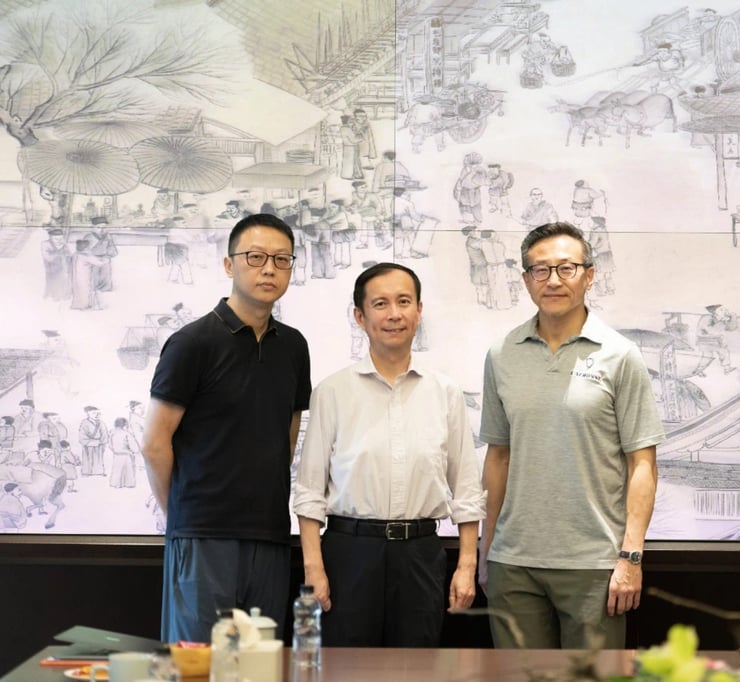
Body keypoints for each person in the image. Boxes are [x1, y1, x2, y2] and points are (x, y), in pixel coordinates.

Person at [480, 222, 664, 649]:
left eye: (566, 268)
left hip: (594, 565)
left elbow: (643, 464)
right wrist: (488, 551)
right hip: (513, 563)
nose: (553, 281)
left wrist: (630, 557)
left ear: (590, 274)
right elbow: (498, 457)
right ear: (526, 279)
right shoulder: (502, 355)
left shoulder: (621, 356)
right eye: (540, 270)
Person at [293, 262, 484, 646]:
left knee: (416, 669)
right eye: (380, 304)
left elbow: (465, 487)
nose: (394, 314)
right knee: (346, 670)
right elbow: (310, 489)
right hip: (349, 553)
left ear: (418, 311)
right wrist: (313, 567)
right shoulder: (332, 392)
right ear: (360, 317)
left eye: (403, 302)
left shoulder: (444, 393)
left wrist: (466, 565)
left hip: (420, 554)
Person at [142, 213, 312, 643]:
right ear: (229, 264)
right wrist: (184, 515)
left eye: (281, 259)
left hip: (269, 533)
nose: (269, 268)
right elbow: (155, 445)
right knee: (199, 662)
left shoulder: (293, 346)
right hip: (203, 535)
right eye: (255, 257)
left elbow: (287, 434)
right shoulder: (192, 342)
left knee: (260, 663)